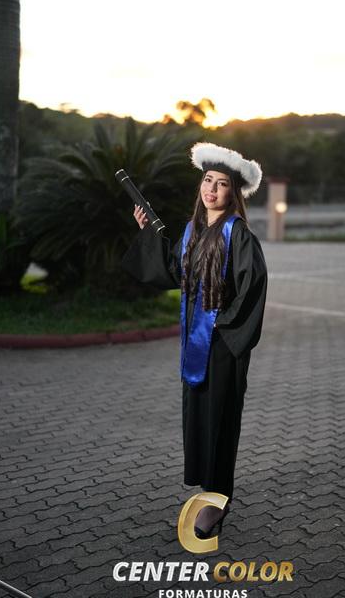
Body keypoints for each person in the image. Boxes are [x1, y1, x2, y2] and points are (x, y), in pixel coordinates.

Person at [121, 142, 268, 539]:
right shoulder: (192, 231)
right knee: (200, 420)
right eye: (207, 180)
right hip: (195, 347)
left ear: (233, 193)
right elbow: (175, 273)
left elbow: (252, 288)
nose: (212, 189)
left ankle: (217, 502)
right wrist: (148, 233)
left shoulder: (238, 235)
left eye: (222, 184)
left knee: (220, 422)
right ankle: (206, 490)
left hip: (222, 346)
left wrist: (222, 328)